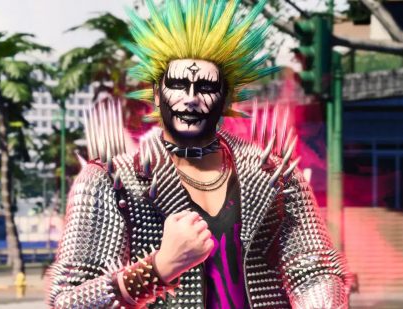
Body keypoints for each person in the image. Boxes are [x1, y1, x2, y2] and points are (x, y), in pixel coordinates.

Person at [46, 0, 351, 308]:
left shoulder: (275, 175)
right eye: (178, 84)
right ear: (156, 92)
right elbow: (67, 301)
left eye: (205, 86)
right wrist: (157, 269)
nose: (190, 99)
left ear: (226, 96)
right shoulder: (110, 181)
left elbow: (315, 269)